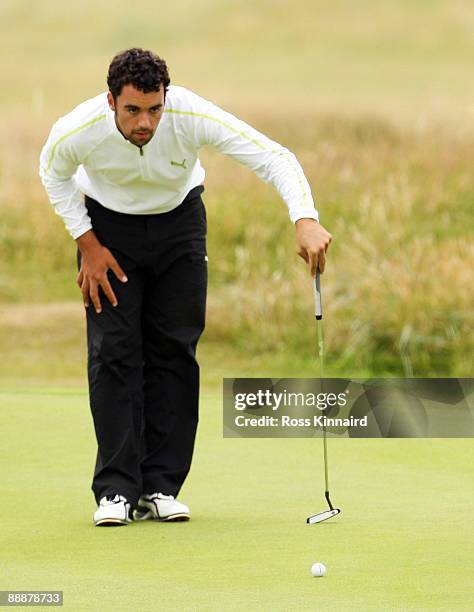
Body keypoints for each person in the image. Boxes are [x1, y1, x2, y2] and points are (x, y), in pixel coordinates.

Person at [39, 48, 332, 527]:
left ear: (165, 98)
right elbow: (53, 172)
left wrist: (305, 218)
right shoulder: (77, 128)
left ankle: (160, 486)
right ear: (110, 100)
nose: (146, 123)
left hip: (179, 227)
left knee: (174, 348)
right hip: (109, 232)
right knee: (114, 352)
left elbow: (275, 158)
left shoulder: (189, 113)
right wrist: (87, 243)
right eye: (133, 110)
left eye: (154, 109)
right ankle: (115, 489)